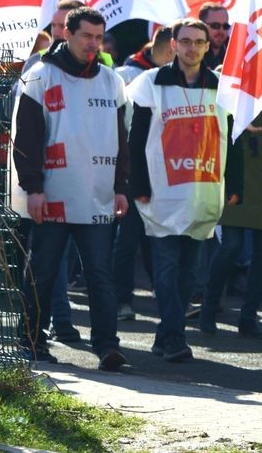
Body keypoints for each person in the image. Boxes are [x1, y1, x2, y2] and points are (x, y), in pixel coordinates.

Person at [12, 6, 130, 371]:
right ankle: (32, 341)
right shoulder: (40, 76)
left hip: (98, 196)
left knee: (100, 273)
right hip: (52, 195)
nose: (94, 44)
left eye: (99, 37)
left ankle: (107, 346)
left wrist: (121, 187)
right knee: (43, 272)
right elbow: (26, 139)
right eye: (86, 36)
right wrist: (33, 188)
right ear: (67, 34)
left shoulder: (112, 81)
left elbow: (121, 140)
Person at [129, 18, 242, 362]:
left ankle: (165, 334)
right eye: (186, 41)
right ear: (174, 44)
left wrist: (235, 184)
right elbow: (137, 138)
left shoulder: (221, 87)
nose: (193, 48)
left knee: (191, 274)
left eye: (199, 42)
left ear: (209, 47)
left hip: (203, 192)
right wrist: (139, 183)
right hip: (162, 192)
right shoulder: (150, 83)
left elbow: (230, 139)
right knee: (165, 269)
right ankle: (176, 337)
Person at [200, 100, 262, 339]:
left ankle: (248, 318)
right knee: (231, 246)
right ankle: (208, 310)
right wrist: (237, 122)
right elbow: (214, 113)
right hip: (238, 170)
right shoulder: (233, 83)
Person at [112, 25, 174, 321]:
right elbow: (121, 127)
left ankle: (166, 298)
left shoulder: (178, 79)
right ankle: (122, 300)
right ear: (170, 47)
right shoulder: (127, 75)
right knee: (128, 239)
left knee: (158, 240)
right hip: (135, 170)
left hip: (166, 173)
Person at [198, 2, 231, 70]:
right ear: (201, 26)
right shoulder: (191, 53)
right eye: (216, 26)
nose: (221, 31)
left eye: (225, 26)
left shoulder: (236, 52)